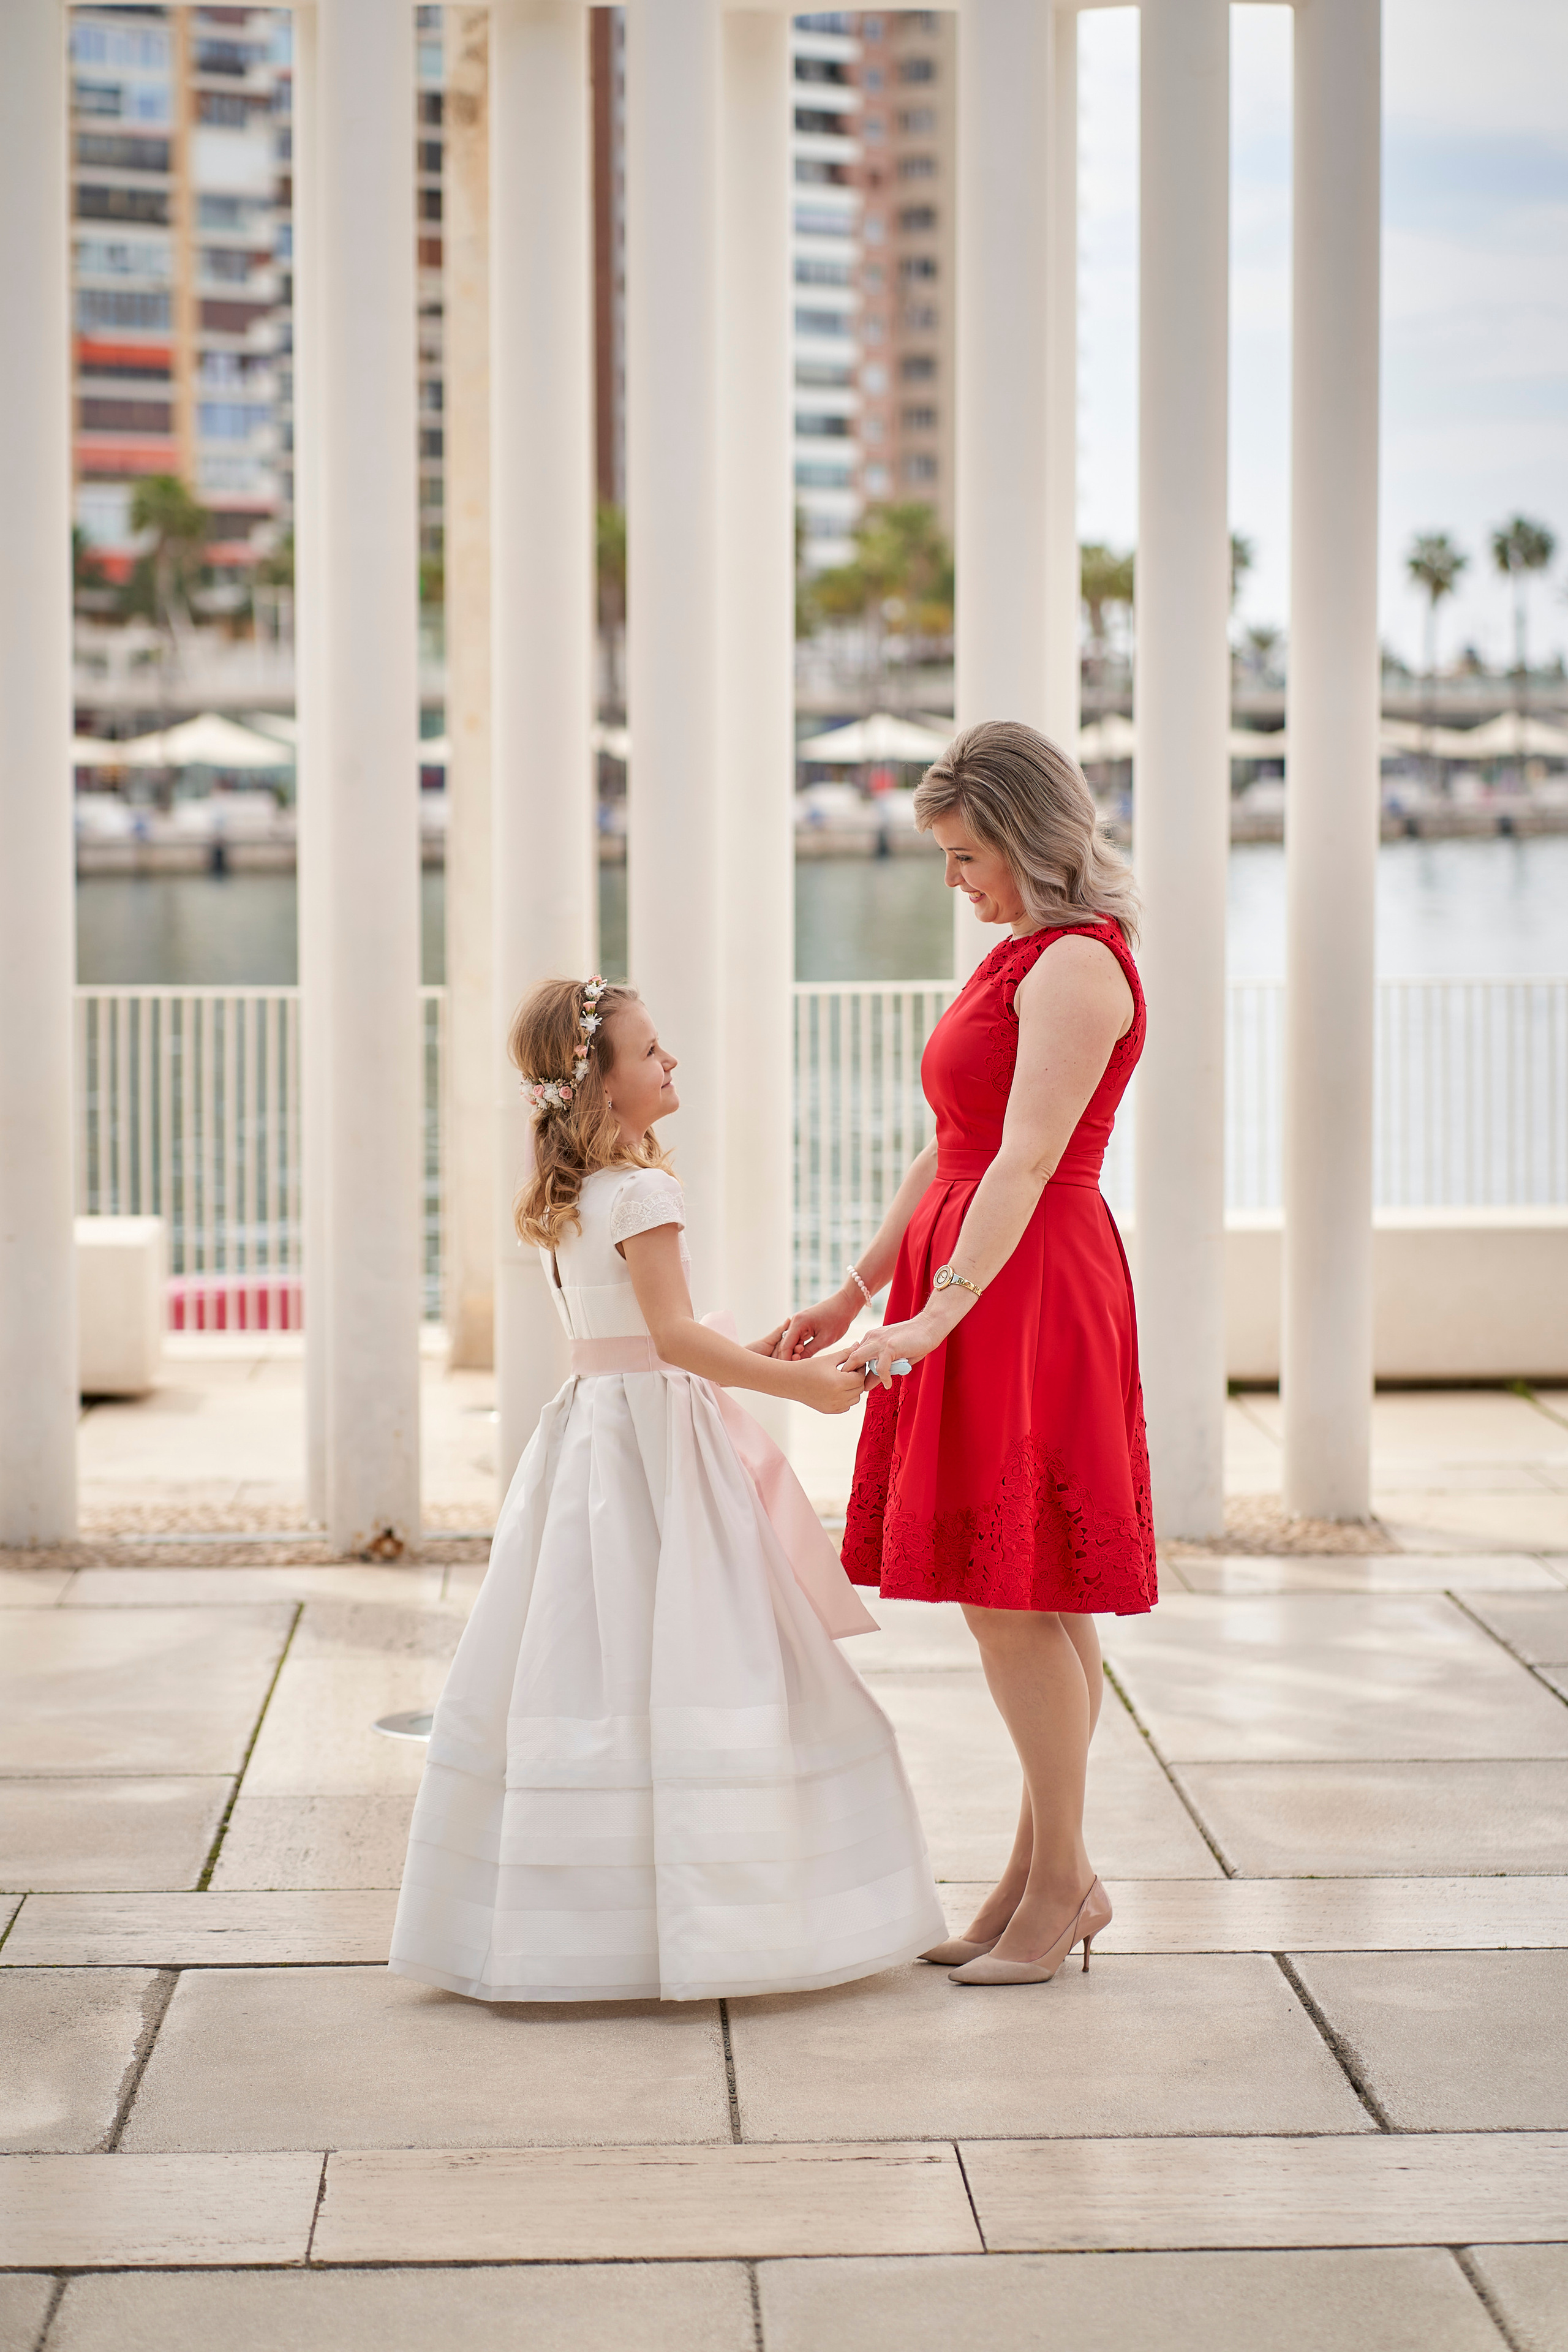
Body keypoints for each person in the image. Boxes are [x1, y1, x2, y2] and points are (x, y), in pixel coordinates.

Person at [389, 976, 946, 2004]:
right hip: (656, 1442)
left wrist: (751, 1351)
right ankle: (730, 1911)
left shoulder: (569, 1198)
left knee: (591, 1648)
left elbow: (630, 1339)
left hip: (592, 1436)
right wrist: (805, 1388)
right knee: (707, 1638)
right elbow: (674, 1339)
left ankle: (587, 1917)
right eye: (650, 1052)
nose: (670, 1063)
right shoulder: (643, 1193)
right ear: (597, 1084)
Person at [779, 719, 1156, 1989]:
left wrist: (937, 1310)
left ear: (1026, 835)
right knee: (1028, 1593)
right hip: (977, 1263)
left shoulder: (1075, 969)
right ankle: (1044, 1877)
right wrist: (852, 1290)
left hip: (1028, 1282)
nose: (953, 880)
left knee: (1014, 1593)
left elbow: (1028, 1158)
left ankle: (1054, 1884)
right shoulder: (1016, 960)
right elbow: (949, 1142)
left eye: (963, 852)